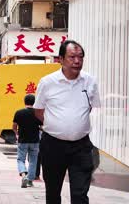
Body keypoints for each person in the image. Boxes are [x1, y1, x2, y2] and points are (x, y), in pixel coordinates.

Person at [34, 40, 100, 204]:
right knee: (53, 193)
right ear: (61, 59)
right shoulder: (47, 82)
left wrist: (74, 125)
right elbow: (38, 111)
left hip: (81, 146)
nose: (77, 61)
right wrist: (58, 126)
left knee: (80, 195)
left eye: (80, 57)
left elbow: (91, 108)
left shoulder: (90, 81)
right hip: (53, 145)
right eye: (72, 57)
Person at [13, 94, 42, 188]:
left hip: (22, 140)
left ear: (24, 102)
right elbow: (42, 126)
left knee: (20, 159)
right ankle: (30, 181)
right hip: (35, 141)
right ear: (34, 102)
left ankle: (23, 175)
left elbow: (14, 126)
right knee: (33, 161)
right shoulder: (37, 113)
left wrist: (17, 134)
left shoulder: (19, 112)